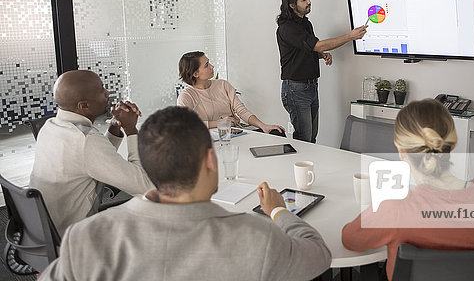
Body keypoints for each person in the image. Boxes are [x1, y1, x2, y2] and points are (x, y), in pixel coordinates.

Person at [39, 106, 332, 280]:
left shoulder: (85, 237)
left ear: (149, 166)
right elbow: (319, 255)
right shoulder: (257, 237)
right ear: (209, 160)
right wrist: (278, 211)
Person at [342, 99, 474, 280]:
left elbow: (350, 239)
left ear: (401, 152)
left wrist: (381, 205)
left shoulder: (396, 208)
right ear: (451, 144)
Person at [29, 70, 153, 236]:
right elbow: (144, 185)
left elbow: (92, 160)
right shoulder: (86, 140)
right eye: (102, 90)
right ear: (83, 106)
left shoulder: (50, 126)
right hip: (72, 235)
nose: (108, 93)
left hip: (41, 228)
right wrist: (131, 130)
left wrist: (116, 125)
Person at [276, 0, 367, 143]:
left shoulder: (305, 23)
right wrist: (349, 36)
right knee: (304, 140)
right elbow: (317, 44)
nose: (309, 1)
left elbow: (306, 49)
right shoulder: (288, 28)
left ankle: (308, 167)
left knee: (311, 139)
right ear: (292, 5)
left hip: (310, 86)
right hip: (296, 89)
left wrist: (321, 55)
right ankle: (300, 167)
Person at [177, 51, 284, 134]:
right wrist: (219, 124)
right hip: (211, 141)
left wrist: (263, 126)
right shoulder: (186, 96)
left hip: (236, 134)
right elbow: (185, 125)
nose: (212, 66)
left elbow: (241, 111)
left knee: (278, 133)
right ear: (195, 73)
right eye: (206, 65)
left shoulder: (222, 85)